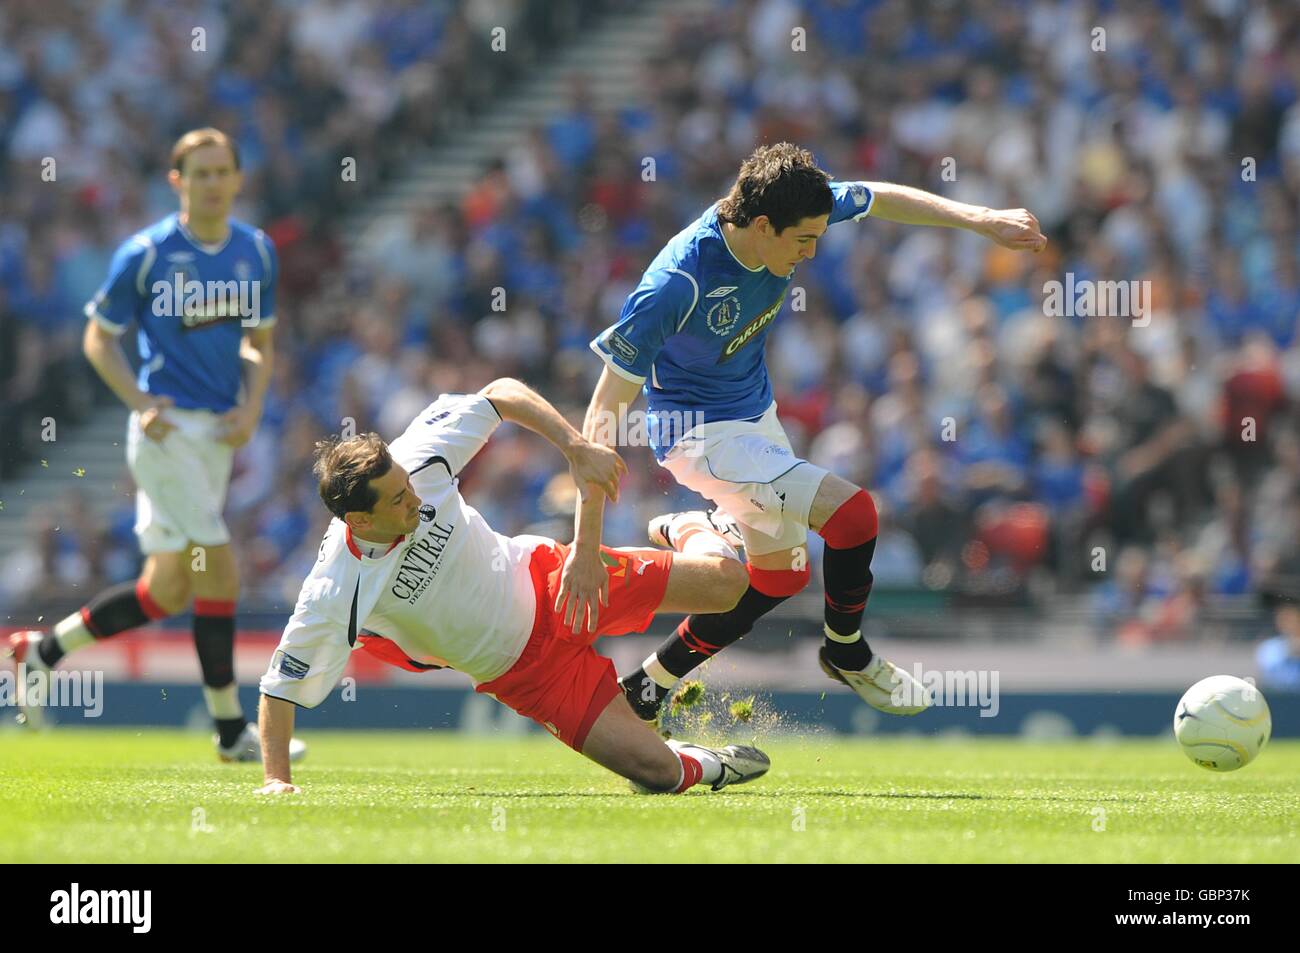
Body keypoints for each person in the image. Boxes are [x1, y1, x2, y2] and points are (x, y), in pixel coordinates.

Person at [578, 142, 1047, 724]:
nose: (812, 252)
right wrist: (585, 540)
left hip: (754, 419)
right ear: (764, 225)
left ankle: (648, 684)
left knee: (781, 577)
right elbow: (601, 410)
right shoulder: (678, 282)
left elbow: (879, 198)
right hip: (696, 437)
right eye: (804, 241)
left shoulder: (792, 212)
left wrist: (981, 219)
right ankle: (846, 650)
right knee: (854, 517)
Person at [255, 377, 770, 795]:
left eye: (407, 486)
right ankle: (704, 761)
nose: (412, 498)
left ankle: (689, 527)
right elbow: (280, 688)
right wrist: (277, 781)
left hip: (554, 582)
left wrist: (573, 446)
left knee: (729, 585)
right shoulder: (334, 587)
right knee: (661, 776)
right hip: (530, 678)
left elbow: (499, 394)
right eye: (395, 500)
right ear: (360, 521)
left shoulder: (416, 459)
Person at [6, 128, 303, 762]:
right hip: (166, 437)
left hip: (218, 437)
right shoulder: (146, 254)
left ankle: (41, 652)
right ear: (178, 182)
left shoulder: (256, 252)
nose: (213, 183)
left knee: (166, 590)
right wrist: (142, 404)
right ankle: (230, 733)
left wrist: (252, 405)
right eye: (200, 173)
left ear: (237, 179)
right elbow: (98, 338)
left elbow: (259, 340)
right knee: (218, 566)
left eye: (223, 171)